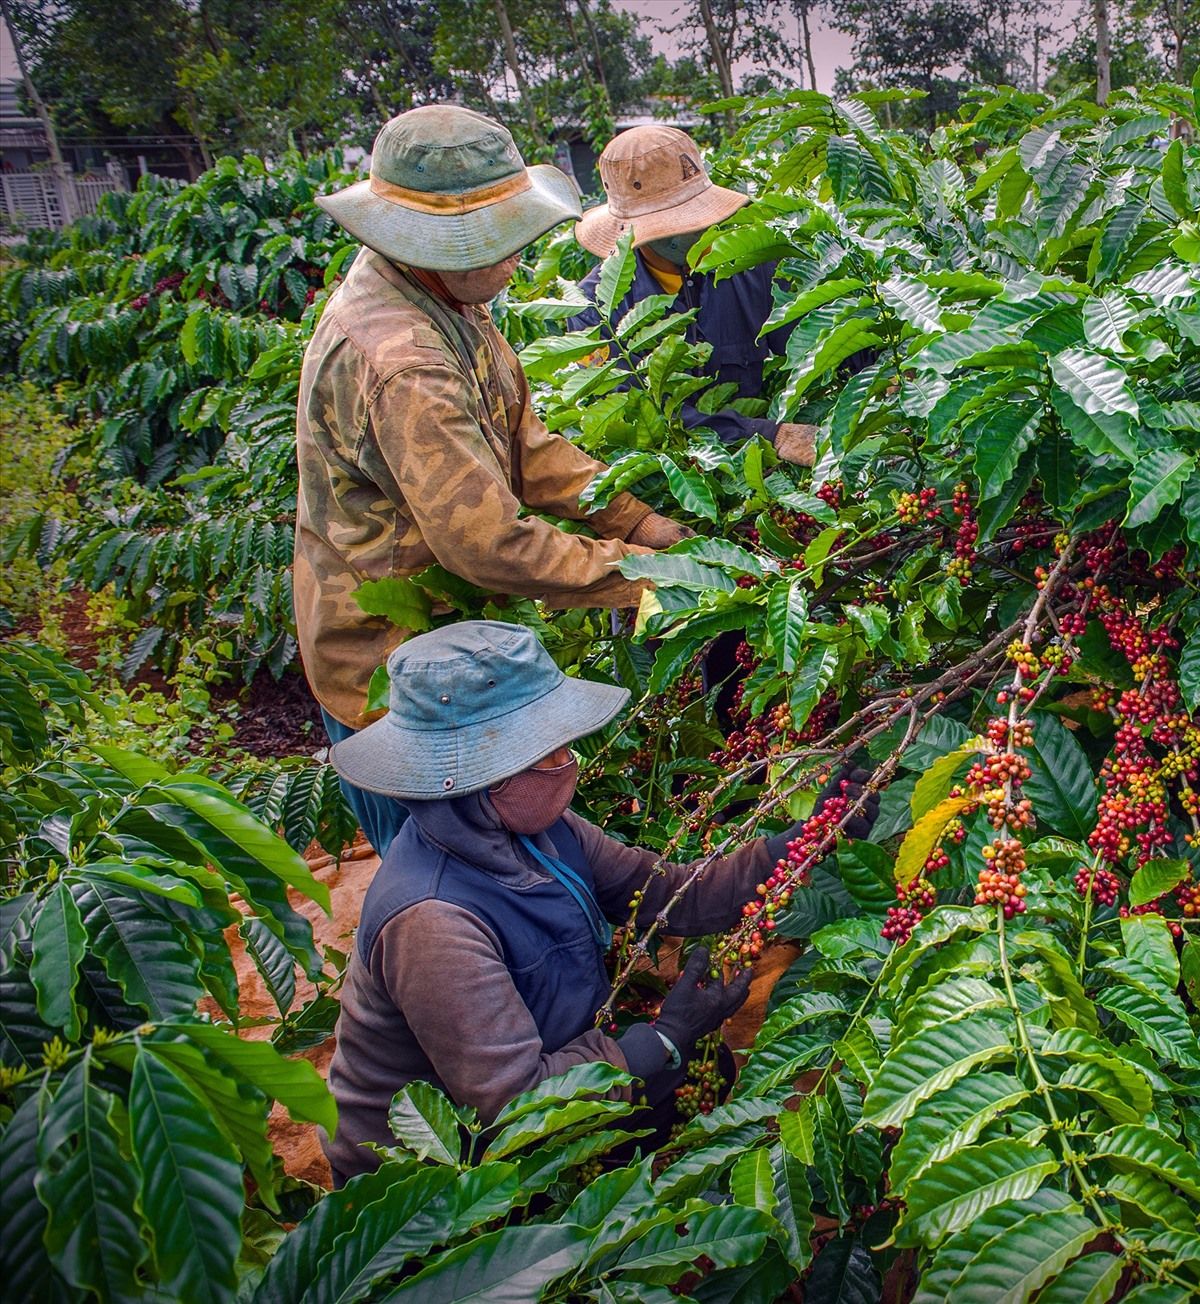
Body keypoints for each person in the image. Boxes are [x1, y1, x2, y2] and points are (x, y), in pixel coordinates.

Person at [319, 619, 875, 1184]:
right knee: (665, 1080)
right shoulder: (433, 920)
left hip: (544, 1075)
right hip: (435, 1172)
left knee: (699, 1075)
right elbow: (516, 1103)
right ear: (483, 776)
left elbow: (667, 892)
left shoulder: (540, 833)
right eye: (548, 750)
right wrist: (661, 1037)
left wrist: (805, 839)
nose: (568, 761)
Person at [297, 105, 691, 856]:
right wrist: (653, 577)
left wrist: (636, 519)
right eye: (501, 242)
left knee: (519, 874)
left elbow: (523, 439)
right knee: (455, 891)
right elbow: (488, 545)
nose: (518, 260)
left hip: (456, 642)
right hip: (397, 668)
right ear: (434, 244)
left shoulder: (442, 295)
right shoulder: (403, 362)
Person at [565, 125, 821, 467]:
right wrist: (768, 434)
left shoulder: (749, 267)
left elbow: (813, 337)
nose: (703, 229)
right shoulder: (593, 309)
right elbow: (632, 414)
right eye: (684, 223)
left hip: (759, 474)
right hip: (660, 479)